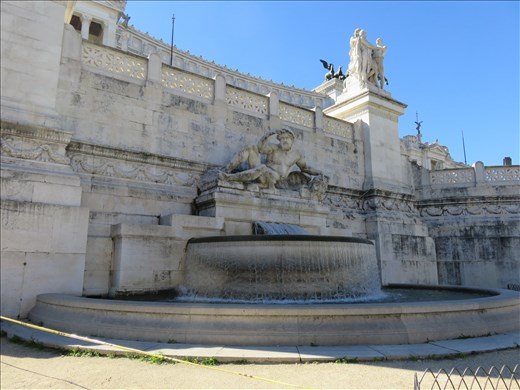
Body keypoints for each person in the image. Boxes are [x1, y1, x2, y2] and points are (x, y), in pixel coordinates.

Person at [219, 128, 323, 190]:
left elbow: (306, 168)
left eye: (286, 138)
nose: (284, 140)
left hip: (274, 178)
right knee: (251, 147)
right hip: (261, 171)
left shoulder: (297, 155)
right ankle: (226, 170)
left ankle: (229, 178)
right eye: (281, 138)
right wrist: (268, 134)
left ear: (292, 140)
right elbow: (260, 148)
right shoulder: (274, 148)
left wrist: (320, 173)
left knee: (263, 168)